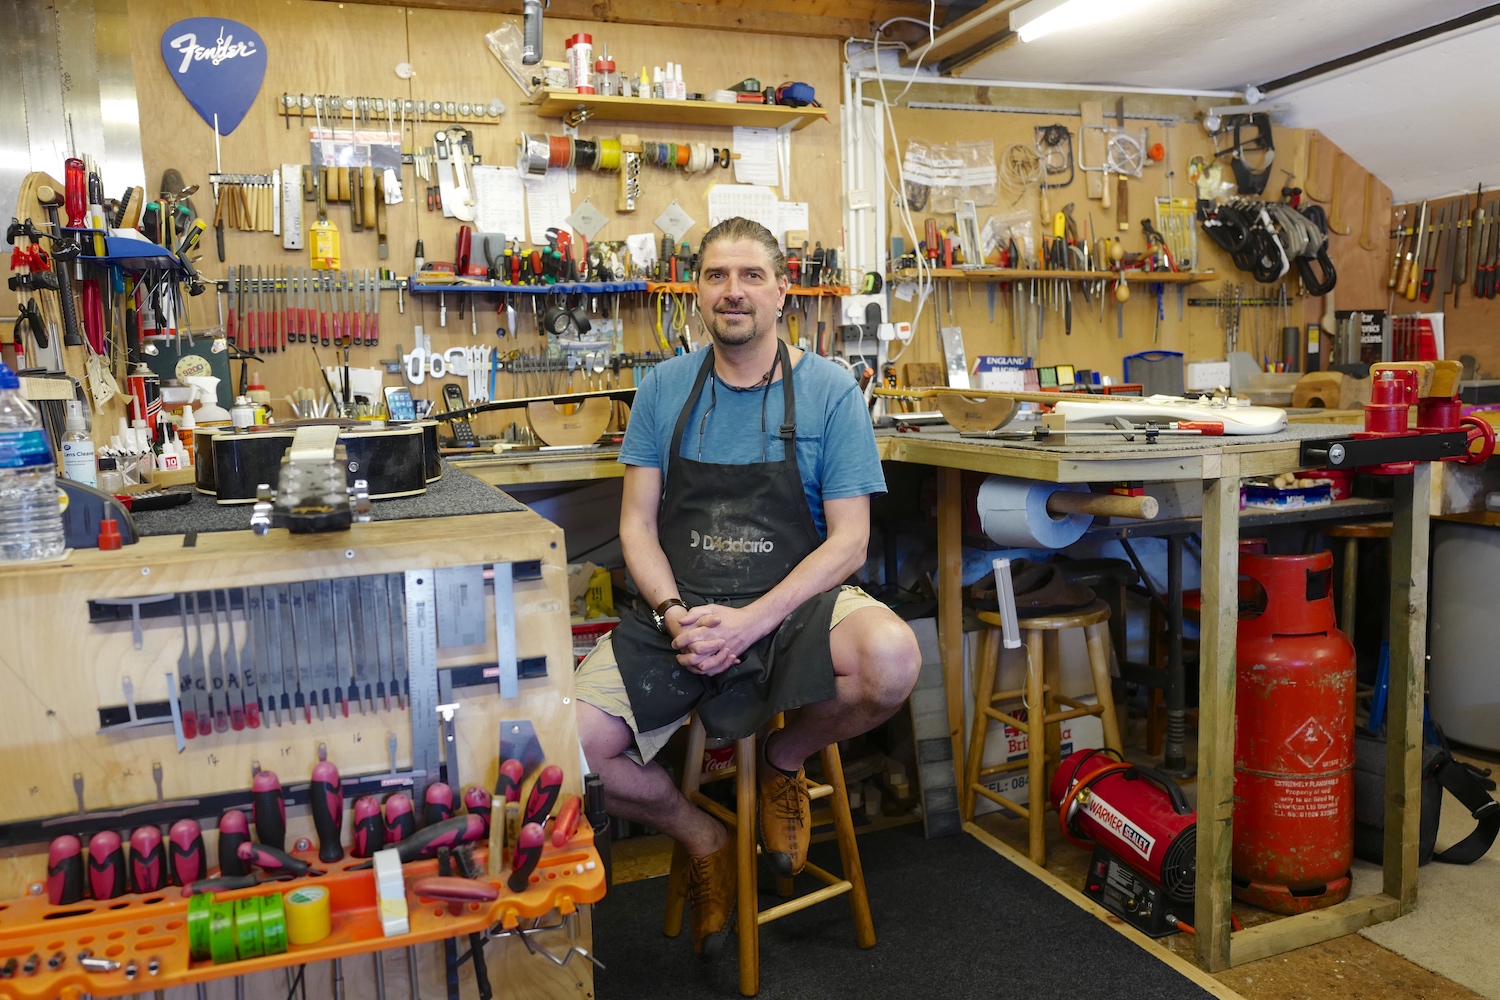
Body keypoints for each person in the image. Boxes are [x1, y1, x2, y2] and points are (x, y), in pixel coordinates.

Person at [575, 217, 921, 958]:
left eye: (751, 276)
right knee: (565, 749)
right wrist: (672, 613)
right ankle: (702, 836)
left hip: (795, 605)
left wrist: (753, 620)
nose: (733, 291)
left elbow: (850, 541)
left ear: (783, 291)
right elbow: (636, 524)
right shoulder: (663, 388)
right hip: (683, 610)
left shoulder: (830, 390)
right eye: (717, 276)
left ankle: (782, 761)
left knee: (893, 659)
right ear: (696, 291)